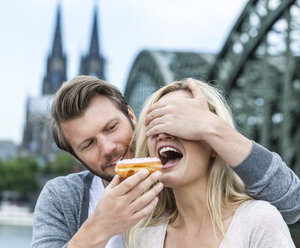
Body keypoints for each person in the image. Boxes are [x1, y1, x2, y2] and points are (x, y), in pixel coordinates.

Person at [31, 76, 300, 248]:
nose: (108, 147)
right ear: (74, 157)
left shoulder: (178, 178)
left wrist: (213, 129)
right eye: (88, 144)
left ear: (132, 117)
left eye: (112, 127)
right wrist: (100, 227)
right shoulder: (62, 198)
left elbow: (291, 205)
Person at [126, 79, 295, 247]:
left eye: (180, 122)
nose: (163, 134)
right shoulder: (143, 237)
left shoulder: (258, 222)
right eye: (155, 124)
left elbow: (293, 201)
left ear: (214, 145)